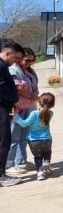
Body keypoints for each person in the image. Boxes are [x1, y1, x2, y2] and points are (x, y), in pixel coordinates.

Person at [7, 47, 38, 172]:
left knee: (24, 136)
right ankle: (9, 164)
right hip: (17, 107)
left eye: (31, 60)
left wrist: (35, 94)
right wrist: (31, 96)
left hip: (28, 106)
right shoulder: (13, 70)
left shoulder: (30, 71)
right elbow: (18, 88)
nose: (28, 63)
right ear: (20, 59)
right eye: (26, 60)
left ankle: (21, 162)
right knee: (14, 136)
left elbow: (34, 85)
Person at [14, 92, 55, 181]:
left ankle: (40, 173)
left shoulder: (34, 114)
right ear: (52, 105)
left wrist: (16, 115)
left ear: (39, 102)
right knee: (47, 152)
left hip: (34, 140)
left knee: (37, 157)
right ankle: (47, 162)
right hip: (47, 139)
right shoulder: (51, 113)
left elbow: (24, 124)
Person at [0, 40, 24, 187]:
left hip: (4, 106)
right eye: (15, 58)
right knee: (3, 140)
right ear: (8, 53)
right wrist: (15, 99)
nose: (16, 62)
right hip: (1, 107)